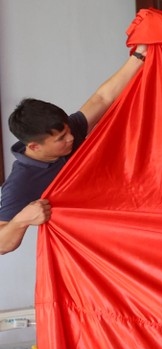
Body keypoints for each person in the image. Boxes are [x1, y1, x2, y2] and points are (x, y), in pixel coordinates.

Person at [0, 44, 148, 254]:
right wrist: (22, 220)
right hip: (97, 249)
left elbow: (102, 98)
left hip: (129, 214)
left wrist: (140, 55)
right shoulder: (21, 181)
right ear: (34, 146)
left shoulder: (68, 131)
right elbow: (1, 244)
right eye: (61, 138)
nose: (71, 138)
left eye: (69, 131)